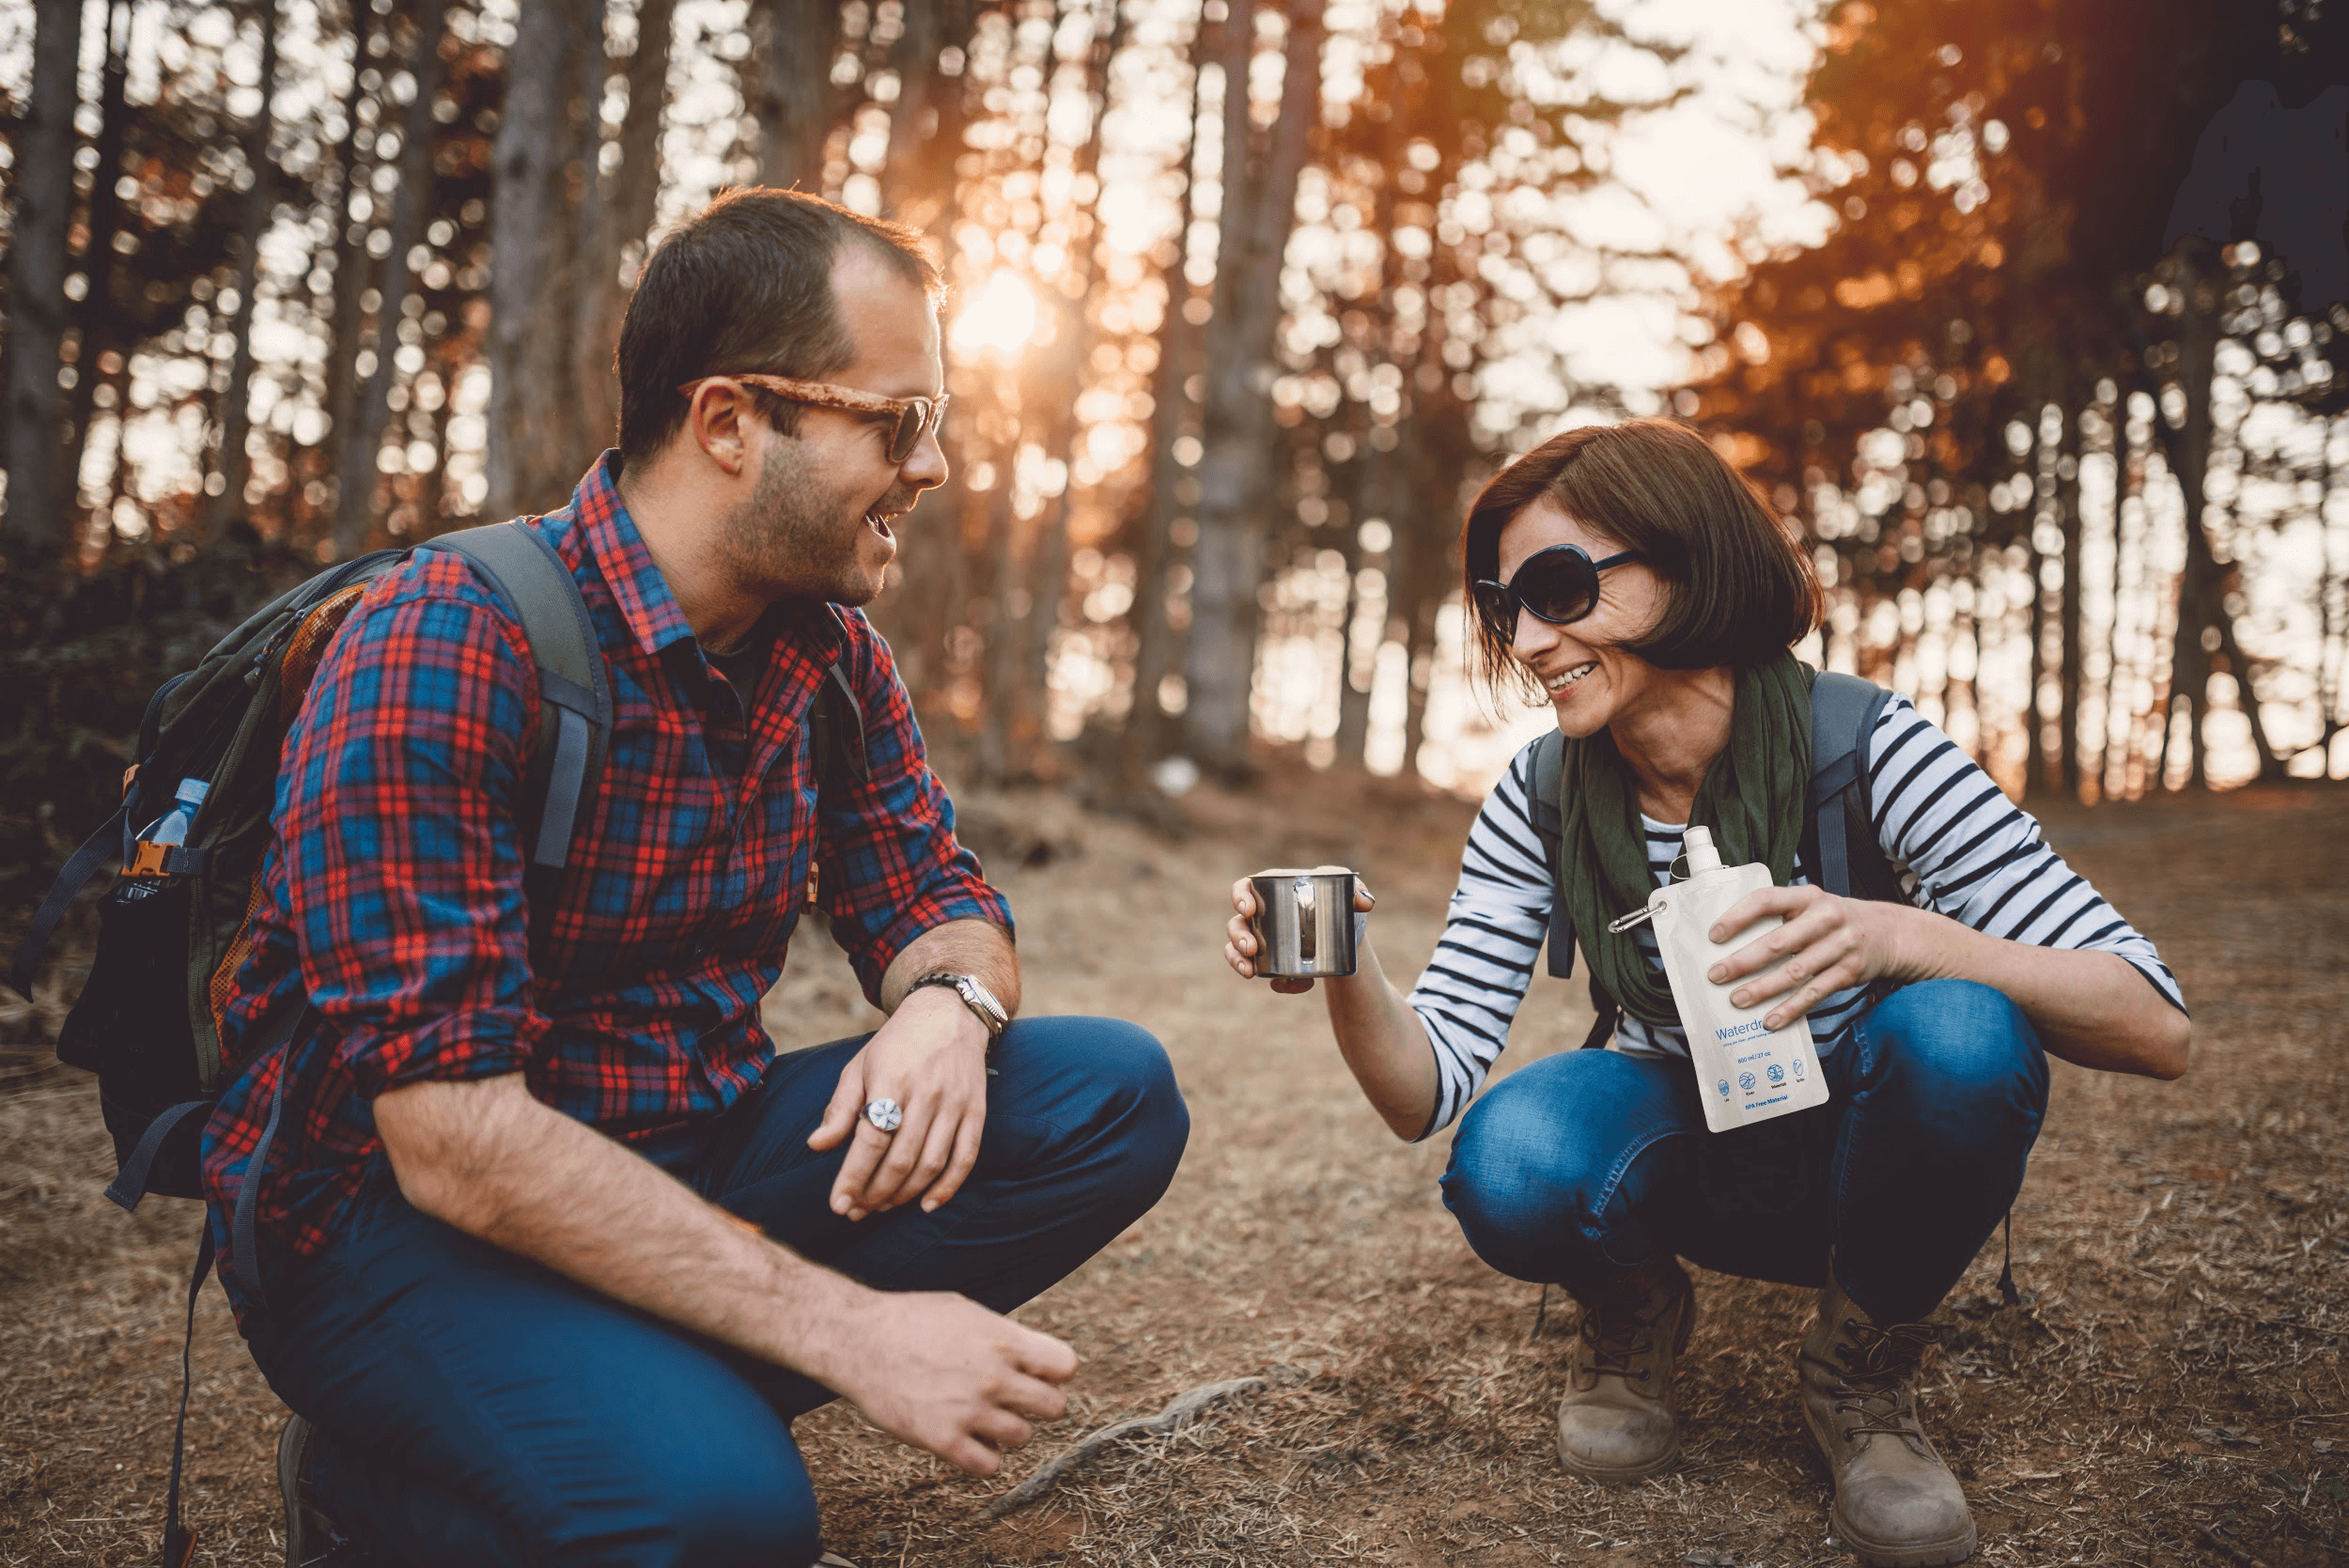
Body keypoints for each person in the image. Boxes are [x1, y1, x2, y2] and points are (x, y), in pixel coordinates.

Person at [201, 188, 1189, 1568]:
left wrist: (950, 1005)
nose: (936, 467)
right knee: (728, 1521)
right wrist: (856, 1334)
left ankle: (620, 1401)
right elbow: (454, 1139)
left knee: (1108, 1097)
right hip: (389, 1227)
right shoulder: (444, 644)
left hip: (682, 1140)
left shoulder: (826, 655)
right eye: (899, 422)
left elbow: (935, 896)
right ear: (730, 423)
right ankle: (377, 1489)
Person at [1222, 420, 2187, 1568]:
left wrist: (1898, 934)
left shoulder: (1871, 748)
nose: (1529, 637)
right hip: (1687, 1143)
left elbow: (2153, 1020)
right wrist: (1343, 966)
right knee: (1511, 1158)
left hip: (1867, 1160)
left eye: (1561, 587)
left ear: (1687, 563)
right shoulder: (1540, 795)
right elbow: (1421, 1091)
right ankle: (1636, 1308)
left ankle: (1859, 1373)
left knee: (1962, 1030)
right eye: (1505, 606)